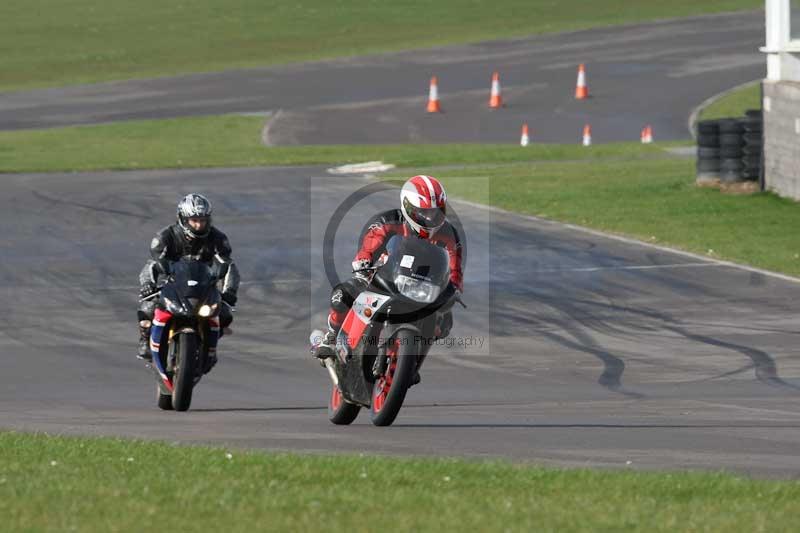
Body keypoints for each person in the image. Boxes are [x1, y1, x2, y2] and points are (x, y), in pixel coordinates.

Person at [316, 175, 463, 360]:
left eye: (435, 212)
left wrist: (454, 288)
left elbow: (455, 268)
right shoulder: (388, 221)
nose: (430, 218)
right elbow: (370, 246)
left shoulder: (449, 234)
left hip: (423, 287)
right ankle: (331, 336)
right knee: (342, 295)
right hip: (384, 277)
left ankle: (411, 363)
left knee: (443, 323)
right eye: (424, 212)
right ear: (408, 207)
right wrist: (364, 263)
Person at [137, 193, 239, 367]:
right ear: (183, 219)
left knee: (225, 313)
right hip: (173, 284)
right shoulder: (165, 236)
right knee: (148, 307)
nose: (199, 225)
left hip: (204, 286)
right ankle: (145, 340)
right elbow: (152, 264)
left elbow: (228, 266)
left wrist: (229, 292)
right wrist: (148, 284)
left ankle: (210, 346)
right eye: (194, 220)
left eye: (203, 220)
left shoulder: (218, 239)